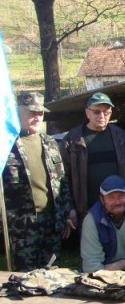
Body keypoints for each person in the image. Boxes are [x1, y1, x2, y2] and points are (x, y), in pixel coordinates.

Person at [2, 92, 73, 271]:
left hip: (51, 222)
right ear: (18, 112)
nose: (37, 117)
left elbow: (62, 183)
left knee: (51, 275)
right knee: (23, 279)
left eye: (40, 113)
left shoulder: (50, 143)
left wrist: (65, 215)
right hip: (21, 226)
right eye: (31, 113)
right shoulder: (6, 145)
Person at [61, 92, 125, 233]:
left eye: (106, 112)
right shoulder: (73, 140)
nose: (102, 116)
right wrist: (69, 207)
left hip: (117, 204)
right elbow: (63, 178)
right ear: (87, 113)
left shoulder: (120, 136)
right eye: (96, 112)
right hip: (86, 207)